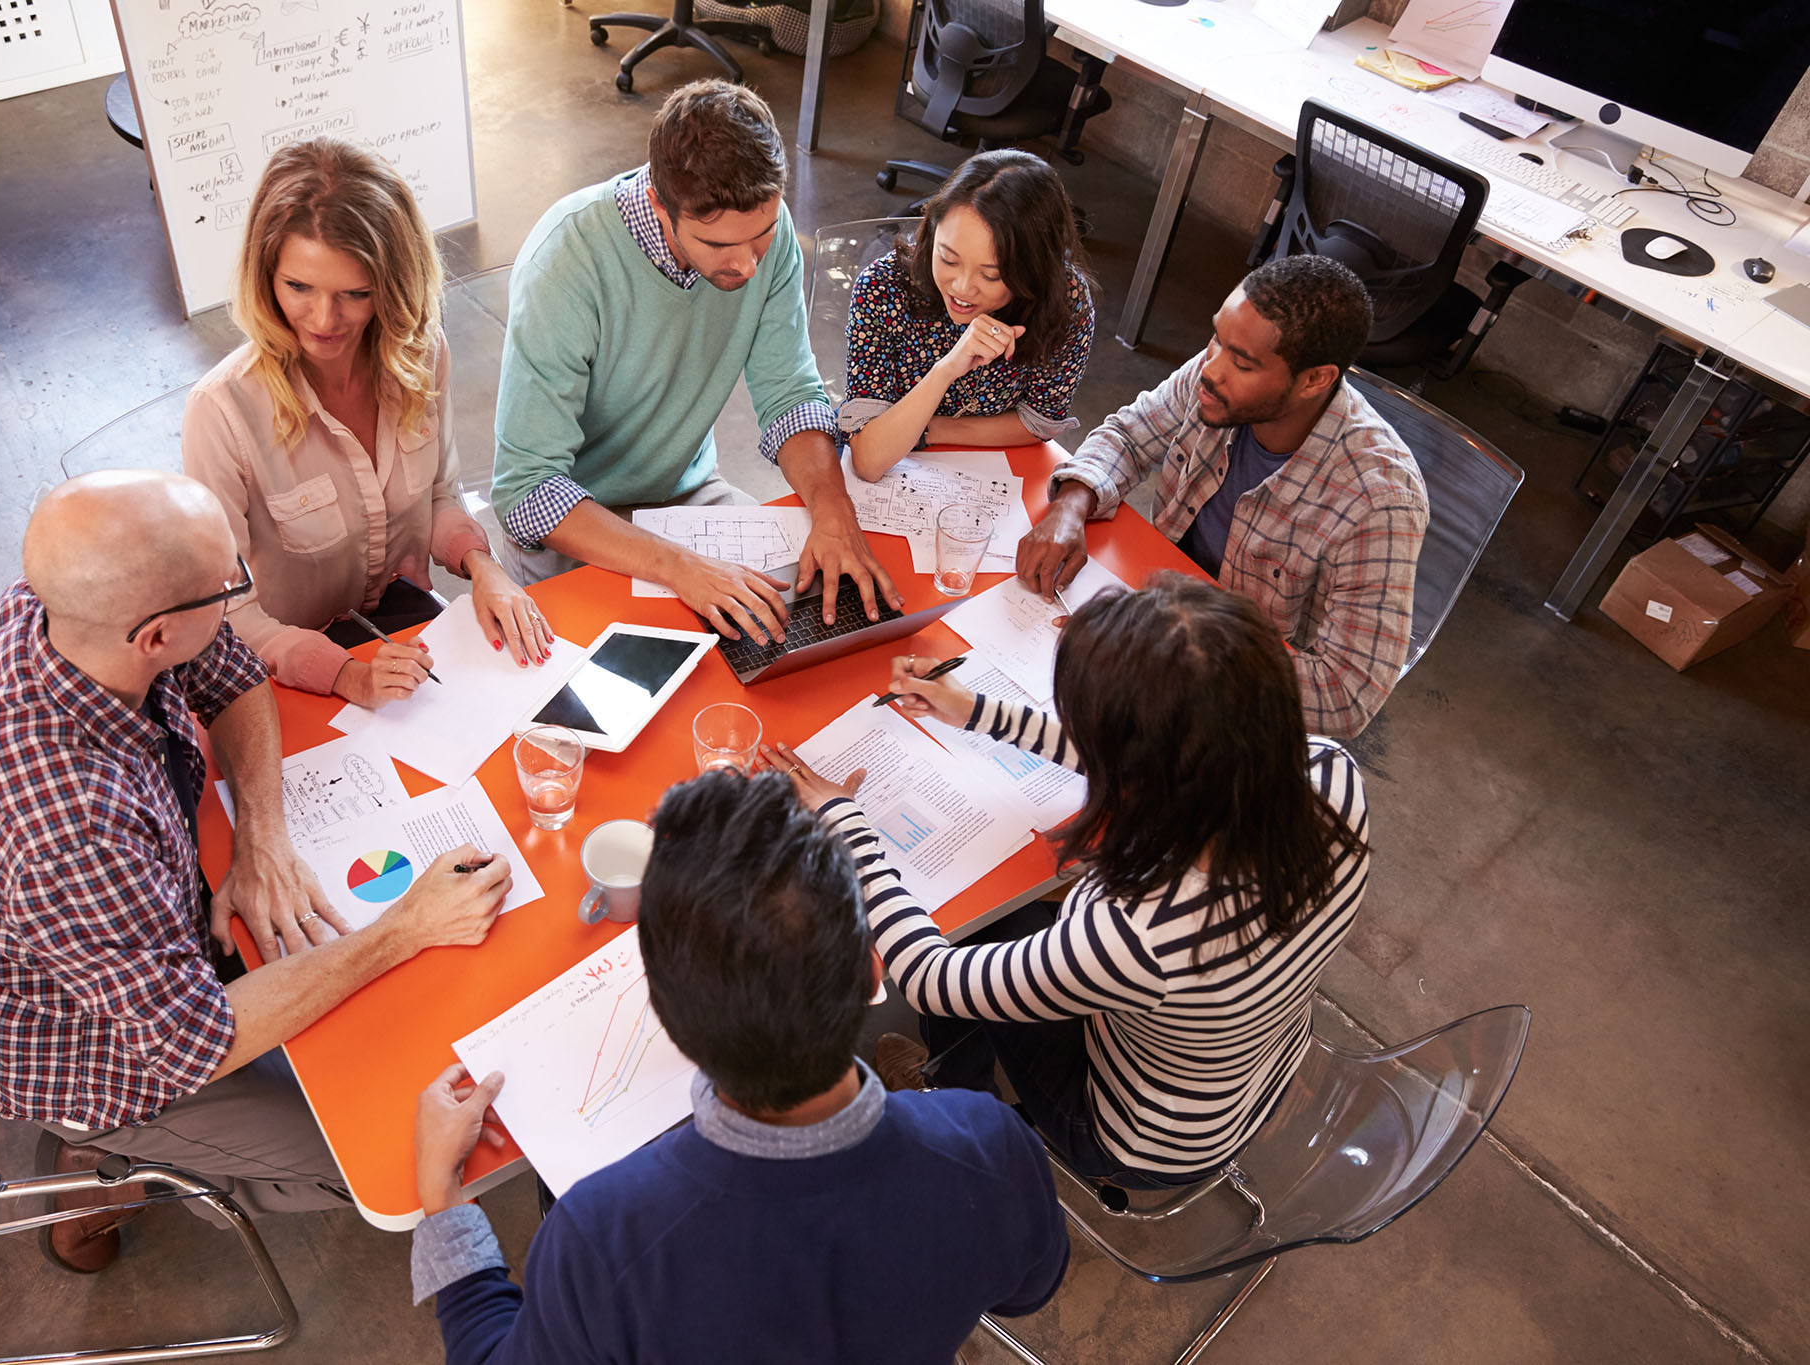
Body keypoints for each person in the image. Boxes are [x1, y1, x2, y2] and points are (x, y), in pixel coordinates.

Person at [0, 470, 515, 1272]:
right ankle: (109, 1166)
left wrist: (263, 840)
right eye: (228, 583)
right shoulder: (64, 829)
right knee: (392, 1161)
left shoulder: (63, 611)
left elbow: (232, 674)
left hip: (144, 938)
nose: (245, 589)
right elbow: (192, 1038)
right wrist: (402, 927)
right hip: (109, 1055)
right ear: (154, 636)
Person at [406, 772, 1068, 1364]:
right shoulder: (989, 1142)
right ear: (875, 969)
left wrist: (443, 1205)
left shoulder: (601, 1238)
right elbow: (1030, 1284)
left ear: (667, 1017)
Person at [764, 574, 1370, 1187]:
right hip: (1255, 1063)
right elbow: (1168, 759)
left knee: (978, 932)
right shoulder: (1328, 775)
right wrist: (978, 711)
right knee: (1013, 925)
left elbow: (927, 979)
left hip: (1140, 1138)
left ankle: (951, 1095)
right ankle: (953, 1077)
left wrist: (844, 824)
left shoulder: (1142, 932)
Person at [491, 79, 898, 644]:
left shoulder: (766, 237)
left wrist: (834, 510)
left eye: (759, 238)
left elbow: (790, 393)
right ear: (660, 203)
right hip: (577, 532)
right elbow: (527, 490)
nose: (749, 265)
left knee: (803, 644)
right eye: (721, 247)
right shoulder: (565, 260)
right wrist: (682, 567)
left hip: (689, 500)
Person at [182, 138, 552, 712]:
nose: (326, 321)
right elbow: (224, 614)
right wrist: (347, 675)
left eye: (357, 294)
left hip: (395, 633)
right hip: (282, 665)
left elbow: (439, 493)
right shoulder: (222, 412)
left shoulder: (421, 355)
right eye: (298, 287)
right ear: (264, 275)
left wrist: (484, 567)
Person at [1016, 254, 1428, 737]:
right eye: (1217, 338)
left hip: (1229, 682)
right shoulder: (1217, 373)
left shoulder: (1379, 499)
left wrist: (1170, 650)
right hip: (1155, 599)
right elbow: (1129, 434)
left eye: (1243, 362)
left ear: (1315, 379)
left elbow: (1345, 694)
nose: (1210, 368)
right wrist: (1071, 504)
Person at [841, 149, 1096, 479]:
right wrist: (945, 370)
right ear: (933, 232)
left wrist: (928, 429)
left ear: (1033, 270)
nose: (961, 288)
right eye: (947, 259)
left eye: (990, 275)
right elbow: (869, 459)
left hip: (995, 474)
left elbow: (1037, 423)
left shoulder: (1064, 298)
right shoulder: (884, 287)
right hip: (896, 470)